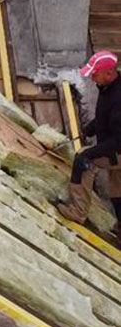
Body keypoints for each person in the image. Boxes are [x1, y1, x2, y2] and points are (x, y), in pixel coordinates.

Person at [57, 50, 121, 244]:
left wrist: (92, 152)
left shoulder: (118, 99)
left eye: (95, 74)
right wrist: (89, 129)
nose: (92, 77)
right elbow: (105, 118)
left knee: (83, 159)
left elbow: (118, 140)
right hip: (114, 145)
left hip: (118, 148)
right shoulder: (108, 88)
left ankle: (77, 211)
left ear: (108, 73)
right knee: (117, 189)